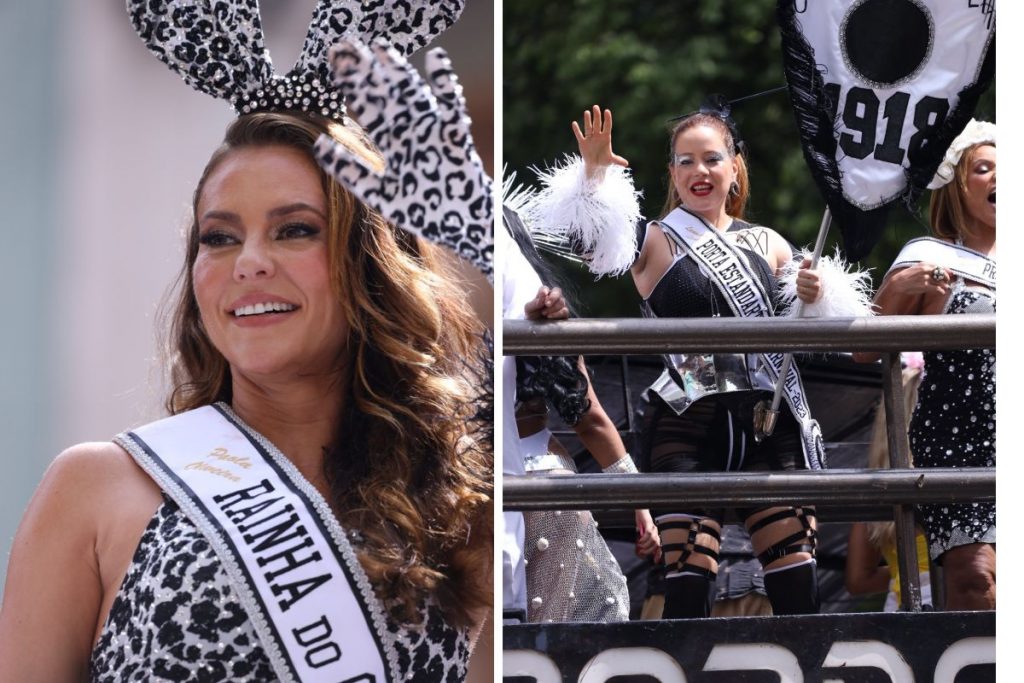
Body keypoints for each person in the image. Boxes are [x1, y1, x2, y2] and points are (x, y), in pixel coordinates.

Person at [0, 4, 492, 682]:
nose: (249, 262)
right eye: (219, 237)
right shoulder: (93, 491)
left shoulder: (459, 505)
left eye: (294, 229)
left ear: (371, 265)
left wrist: (480, 233)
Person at [526, 103, 869, 619]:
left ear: (735, 167)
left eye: (711, 159)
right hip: (688, 421)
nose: (698, 172)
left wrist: (814, 292)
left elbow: (824, 327)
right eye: (685, 162)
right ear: (671, 173)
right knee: (686, 593)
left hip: (768, 422)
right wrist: (594, 177)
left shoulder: (769, 244)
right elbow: (590, 243)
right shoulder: (655, 240)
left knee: (798, 591)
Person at [854, 120, 996, 611]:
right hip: (960, 439)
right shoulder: (928, 256)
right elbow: (865, 349)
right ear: (957, 186)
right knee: (975, 580)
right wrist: (900, 287)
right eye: (985, 169)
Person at [845, 364, 932, 612]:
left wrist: (902, 570)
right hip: (960, 596)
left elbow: (858, 580)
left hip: (901, 606)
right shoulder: (956, 475)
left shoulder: (877, 485)